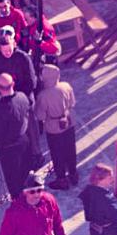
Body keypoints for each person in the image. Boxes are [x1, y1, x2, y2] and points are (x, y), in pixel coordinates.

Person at [0, 72, 40, 198]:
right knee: (27, 175)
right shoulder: (22, 97)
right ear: (13, 84)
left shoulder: (0, 110)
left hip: (9, 148)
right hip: (24, 141)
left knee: (14, 181)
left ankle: (20, 206)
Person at [34, 61, 78, 189]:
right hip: (69, 121)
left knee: (57, 153)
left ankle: (62, 179)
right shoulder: (66, 86)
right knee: (70, 149)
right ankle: (73, 174)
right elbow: (72, 103)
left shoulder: (43, 95)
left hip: (53, 128)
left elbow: (40, 116)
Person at [0, 27, 37, 108]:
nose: (7, 53)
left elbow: (31, 80)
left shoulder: (23, 58)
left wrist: (20, 97)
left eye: (9, 50)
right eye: (4, 51)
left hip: (24, 94)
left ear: (14, 44)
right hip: (4, 95)